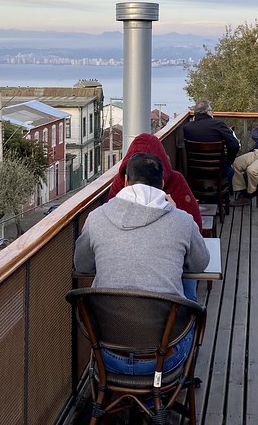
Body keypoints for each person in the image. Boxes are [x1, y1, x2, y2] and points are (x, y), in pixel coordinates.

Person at [75, 152, 210, 375]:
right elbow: (200, 263)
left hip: (107, 353)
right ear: (163, 184)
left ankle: (128, 400)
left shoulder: (97, 217)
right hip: (163, 356)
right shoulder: (182, 220)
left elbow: (82, 265)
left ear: (126, 181)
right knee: (188, 287)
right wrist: (175, 211)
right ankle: (153, 402)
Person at [107, 133, 202, 231]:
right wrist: (174, 213)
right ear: (162, 183)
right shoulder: (175, 180)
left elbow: (108, 217)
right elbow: (195, 226)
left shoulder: (120, 182)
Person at [182, 100, 240, 185]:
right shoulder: (218, 125)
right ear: (208, 112)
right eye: (212, 111)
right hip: (217, 171)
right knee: (230, 171)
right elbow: (234, 145)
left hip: (195, 171)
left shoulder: (187, 128)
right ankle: (222, 195)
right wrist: (228, 162)